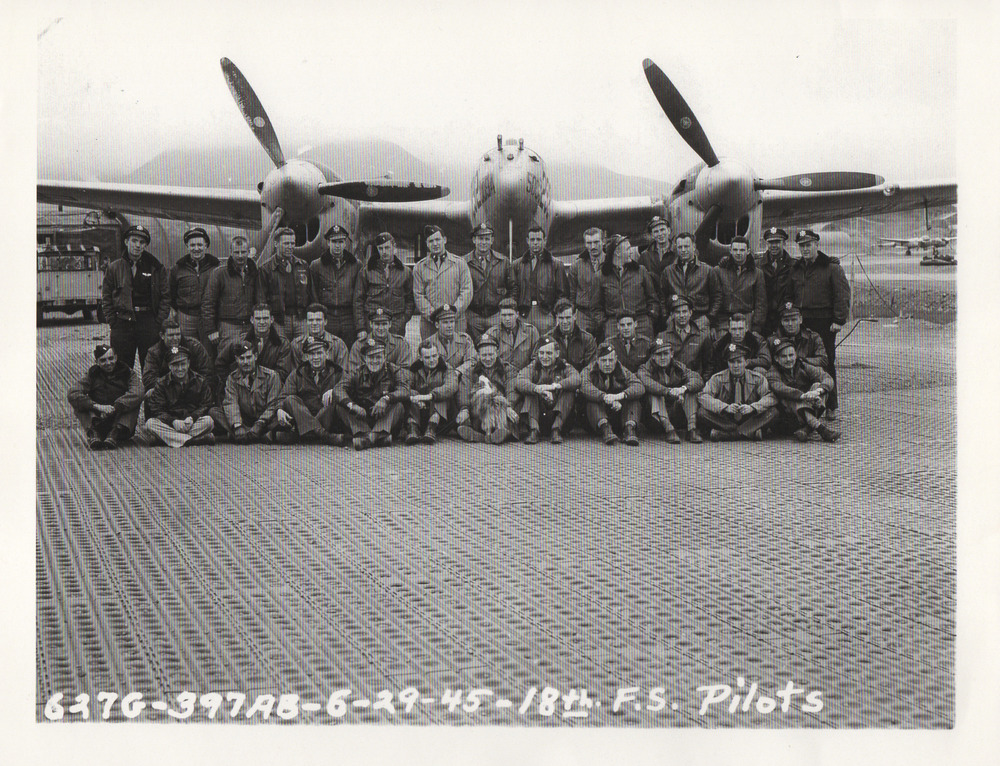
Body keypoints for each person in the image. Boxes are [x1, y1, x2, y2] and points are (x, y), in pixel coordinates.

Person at [790, 228, 850, 418]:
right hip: (802, 321)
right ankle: (810, 404)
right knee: (802, 361)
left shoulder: (832, 267)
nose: (805, 249)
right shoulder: (796, 268)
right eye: (801, 246)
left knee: (826, 361)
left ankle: (831, 404)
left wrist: (838, 320)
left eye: (808, 245)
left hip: (824, 321)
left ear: (817, 244)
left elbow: (842, 295)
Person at [101, 224, 169, 370]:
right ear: (126, 242)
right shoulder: (114, 267)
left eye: (142, 242)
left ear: (145, 246)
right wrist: (113, 321)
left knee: (151, 364)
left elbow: (165, 296)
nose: (138, 245)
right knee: (122, 366)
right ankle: (125, 386)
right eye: (134, 241)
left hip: (148, 322)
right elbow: (106, 296)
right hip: (123, 323)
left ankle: (150, 386)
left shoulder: (156, 267)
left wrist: (159, 321)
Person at [334, 337, 408, 450]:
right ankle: (378, 437)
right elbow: (338, 389)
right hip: (362, 418)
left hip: (385, 418)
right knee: (340, 406)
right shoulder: (356, 372)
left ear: (385, 357)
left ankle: (369, 439)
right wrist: (352, 405)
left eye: (378, 357)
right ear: (364, 358)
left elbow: (405, 389)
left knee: (398, 406)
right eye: (371, 357)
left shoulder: (394, 370)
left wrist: (386, 399)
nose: (374, 361)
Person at [272, 337, 347, 445]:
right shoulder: (297, 374)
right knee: (291, 399)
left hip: (326, 417)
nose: (315, 357)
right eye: (311, 354)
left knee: (335, 400)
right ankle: (324, 436)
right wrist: (279, 409)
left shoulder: (337, 372)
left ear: (326, 354)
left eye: (319, 353)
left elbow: (349, 387)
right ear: (306, 357)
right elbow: (283, 396)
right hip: (303, 415)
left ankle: (303, 435)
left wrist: (335, 390)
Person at [67, 344, 143, 450]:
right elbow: (73, 393)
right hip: (99, 419)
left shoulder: (127, 372)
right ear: (97, 362)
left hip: (120, 421)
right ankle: (93, 433)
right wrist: (96, 406)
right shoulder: (92, 374)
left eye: (111, 358)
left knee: (134, 402)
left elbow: (138, 392)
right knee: (79, 403)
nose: (108, 363)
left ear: (116, 357)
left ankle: (114, 434)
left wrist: (116, 407)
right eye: (103, 360)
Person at [697, 343, 778, 441]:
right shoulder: (717, 378)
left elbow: (770, 397)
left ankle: (729, 434)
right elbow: (703, 396)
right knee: (702, 412)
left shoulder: (757, 378)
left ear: (746, 362)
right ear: (727, 363)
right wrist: (724, 407)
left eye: (739, 362)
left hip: (750, 418)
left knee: (773, 412)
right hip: (725, 419)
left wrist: (753, 407)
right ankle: (749, 432)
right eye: (732, 362)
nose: (735, 366)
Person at [765, 337, 840, 442]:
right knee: (792, 398)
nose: (788, 359)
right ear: (776, 358)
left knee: (818, 385)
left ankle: (807, 429)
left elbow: (827, 378)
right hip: (787, 420)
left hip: (806, 410)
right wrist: (803, 396)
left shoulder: (802, 366)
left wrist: (817, 392)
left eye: (791, 355)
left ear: (796, 355)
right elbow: (780, 388)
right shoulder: (772, 372)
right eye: (783, 356)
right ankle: (822, 430)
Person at [140, 346, 216, 447]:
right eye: (175, 365)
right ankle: (193, 441)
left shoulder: (200, 381)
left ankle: (167, 439)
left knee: (208, 421)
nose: (180, 369)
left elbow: (206, 404)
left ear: (188, 363)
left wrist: (192, 417)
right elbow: (157, 409)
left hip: (192, 423)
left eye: (183, 364)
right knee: (150, 423)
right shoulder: (161, 384)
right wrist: (173, 421)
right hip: (171, 424)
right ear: (169, 366)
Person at [202, 234, 263, 354]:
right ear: (230, 252)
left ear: (248, 252)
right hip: (228, 326)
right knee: (228, 357)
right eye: (236, 252)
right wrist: (211, 330)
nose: (240, 256)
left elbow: (260, 298)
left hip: (249, 325)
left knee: (249, 357)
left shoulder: (254, 272)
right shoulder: (219, 273)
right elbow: (208, 303)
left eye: (243, 252)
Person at [514, 336, 581, 444]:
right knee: (530, 391)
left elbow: (576, 379)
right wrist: (537, 389)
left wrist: (556, 386)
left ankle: (556, 430)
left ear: (557, 353)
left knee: (569, 391)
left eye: (549, 353)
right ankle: (534, 431)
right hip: (539, 416)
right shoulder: (533, 367)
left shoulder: (564, 366)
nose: (545, 357)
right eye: (541, 353)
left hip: (561, 421)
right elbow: (520, 381)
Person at [412, 225, 474, 339]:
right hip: (430, 323)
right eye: (431, 241)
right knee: (430, 349)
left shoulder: (460, 263)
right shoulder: (420, 267)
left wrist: (452, 313)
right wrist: (433, 315)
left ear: (444, 240)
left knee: (457, 348)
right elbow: (418, 295)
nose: (435, 244)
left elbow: (467, 291)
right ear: (426, 244)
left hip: (455, 321)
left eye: (438, 239)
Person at [214, 341, 282, 443]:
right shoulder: (232, 378)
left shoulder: (271, 376)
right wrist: (237, 425)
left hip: (265, 420)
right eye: (242, 358)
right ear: (236, 359)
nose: (246, 362)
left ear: (255, 356)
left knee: (280, 416)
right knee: (215, 412)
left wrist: (260, 423)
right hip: (243, 420)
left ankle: (240, 436)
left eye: (249, 357)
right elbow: (231, 403)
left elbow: (273, 404)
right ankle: (251, 435)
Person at [638, 337, 704, 443]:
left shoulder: (679, 367)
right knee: (655, 393)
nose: (663, 357)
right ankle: (669, 430)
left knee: (690, 391)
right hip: (655, 419)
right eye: (658, 354)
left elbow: (697, 379)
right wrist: (668, 392)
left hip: (675, 412)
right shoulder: (644, 368)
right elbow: (647, 383)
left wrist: (683, 389)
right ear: (653, 356)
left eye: (666, 353)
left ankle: (692, 429)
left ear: (671, 354)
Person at [456, 334, 518, 444]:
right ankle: (477, 432)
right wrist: (464, 408)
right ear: (478, 355)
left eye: (491, 354)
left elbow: (511, 389)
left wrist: (509, 406)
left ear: (497, 353)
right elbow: (464, 390)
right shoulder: (471, 371)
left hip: (502, 410)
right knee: (479, 400)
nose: (488, 358)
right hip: (480, 412)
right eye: (484, 355)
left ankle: (501, 431)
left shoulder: (508, 369)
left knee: (505, 408)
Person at [579, 342, 645, 446]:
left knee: (633, 399)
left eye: (610, 360)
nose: (607, 364)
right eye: (603, 360)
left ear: (616, 359)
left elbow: (639, 386)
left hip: (618, 413)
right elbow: (585, 387)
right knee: (591, 401)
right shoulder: (588, 371)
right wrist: (605, 397)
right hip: (596, 417)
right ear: (597, 360)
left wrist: (620, 396)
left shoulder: (622, 370)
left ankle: (629, 429)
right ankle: (606, 430)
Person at [168, 227, 220, 356]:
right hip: (186, 318)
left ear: (206, 245)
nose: (196, 248)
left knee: (208, 353)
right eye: (192, 245)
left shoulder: (216, 267)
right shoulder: (178, 269)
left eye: (200, 245)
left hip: (209, 318)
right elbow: (170, 294)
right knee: (186, 350)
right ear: (187, 246)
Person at [353, 232, 414, 338]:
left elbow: (410, 300)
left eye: (387, 248)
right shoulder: (366, 271)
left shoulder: (405, 272)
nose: (384, 252)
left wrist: (403, 319)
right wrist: (361, 328)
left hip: (396, 325)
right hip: (373, 325)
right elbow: (358, 301)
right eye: (381, 248)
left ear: (394, 248)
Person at [463, 223, 517, 342]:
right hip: (473, 316)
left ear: (492, 240)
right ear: (474, 240)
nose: (484, 242)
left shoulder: (503, 262)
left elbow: (513, 288)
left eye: (487, 239)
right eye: (480, 238)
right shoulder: (463, 263)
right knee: (473, 345)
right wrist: (467, 313)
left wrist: (506, 309)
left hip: (496, 316)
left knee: (497, 346)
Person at [600, 234, 660, 340]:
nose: (631, 252)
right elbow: (596, 307)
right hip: (614, 327)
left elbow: (653, 299)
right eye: (628, 249)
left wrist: (649, 319)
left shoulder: (641, 271)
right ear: (617, 253)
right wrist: (606, 324)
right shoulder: (601, 276)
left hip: (641, 324)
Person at [311, 224, 361, 347]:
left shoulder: (356, 265)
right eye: (334, 242)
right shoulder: (316, 265)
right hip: (328, 317)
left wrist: (360, 326)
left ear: (345, 243)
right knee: (327, 348)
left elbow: (359, 296)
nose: (337, 245)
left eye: (341, 241)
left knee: (348, 349)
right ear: (328, 242)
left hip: (348, 317)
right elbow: (313, 294)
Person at [217, 303, 293, 383]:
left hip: (270, 387)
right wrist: (233, 382)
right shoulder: (240, 341)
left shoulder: (282, 344)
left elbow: (283, 373)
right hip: (243, 386)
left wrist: (261, 384)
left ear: (272, 319)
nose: (262, 322)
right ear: (252, 320)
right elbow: (220, 363)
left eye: (265, 318)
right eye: (258, 318)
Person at [512, 226, 567, 335]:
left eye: (538, 239)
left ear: (544, 240)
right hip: (524, 314)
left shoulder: (556, 265)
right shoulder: (517, 265)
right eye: (532, 240)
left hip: (546, 314)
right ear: (527, 241)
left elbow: (562, 293)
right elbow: (513, 290)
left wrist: (554, 314)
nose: (535, 243)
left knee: (546, 343)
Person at [259, 227, 312, 341]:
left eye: (292, 243)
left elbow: (311, 293)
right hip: (279, 321)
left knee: (302, 347)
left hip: (301, 318)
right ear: (276, 244)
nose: (290, 246)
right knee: (281, 348)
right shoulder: (266, 269)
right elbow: (261, 298)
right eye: (286, 243)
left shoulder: (303, 265)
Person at [403, 340, 459, 444]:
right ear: (420, 358)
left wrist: (430, 396)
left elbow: (451, 386)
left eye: (434, 356)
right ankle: (412, 428)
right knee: (412, 394)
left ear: (438, 355)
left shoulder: (446, 368)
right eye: (427, 357)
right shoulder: (413, 369)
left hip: (442, 418)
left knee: (441, 395)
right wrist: (417, 399)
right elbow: (404, 386)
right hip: (419, 412)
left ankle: (431, 428)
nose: (432, 360)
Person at [660, 232, 720, 328]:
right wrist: (666, 318)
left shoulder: (708, 270)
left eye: (686, 246)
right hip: (676, 320)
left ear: (694, 247)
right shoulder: (668, 271)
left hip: (700, 319)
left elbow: (717, 296)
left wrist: (709, 318)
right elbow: (662, 297)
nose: (683, 250)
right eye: (680, 247)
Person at [141, 318, 214, 394]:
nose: (175, 338)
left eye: (178, 334)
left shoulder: (195, 346)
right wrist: (173, 388)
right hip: (167, 392)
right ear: (162, 335)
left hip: (193, 390)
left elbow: (206, 372)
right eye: (171, 335)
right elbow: (148, 378)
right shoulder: (154, 352)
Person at [712, 235, 767, 335]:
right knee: (722, 341)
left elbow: (760, 303)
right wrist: (713, 323)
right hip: (724, 318)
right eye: (735, 249)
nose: (738, 253)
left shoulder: (757, 273)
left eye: (742, 250)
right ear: (730, 250)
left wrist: (756, 327)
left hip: (746, 318)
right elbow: (714, 298)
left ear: (748, 251)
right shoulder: (719, 270)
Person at [656, 295, 713, 379]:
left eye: (684, 311)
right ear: (672, 314)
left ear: (690, 313)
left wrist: (702, 381)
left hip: (694, 382)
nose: (681, 315)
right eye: (677, 312)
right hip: (670, 383)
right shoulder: (663, 337)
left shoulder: (702, 337)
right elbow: (656, 363)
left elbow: (709, 365)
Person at [481, 297, 539, 376]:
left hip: (525, 374)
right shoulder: (492, 333)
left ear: (517, 314)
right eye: (504, 315)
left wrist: (527, 371)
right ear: (499, 316)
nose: (507, 319)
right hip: (501, 375)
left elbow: (537, 357)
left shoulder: (531, 331)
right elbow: (487, 358)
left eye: (510, 315)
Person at [347, 306, 415, 372]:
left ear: (390, 324)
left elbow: (406, 371)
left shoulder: (400, 344)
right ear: (371, 324)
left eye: (384, 324)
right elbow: (353, 371)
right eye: (377, 324)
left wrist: (390, 371)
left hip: (393, 379)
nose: (381, 328)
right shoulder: (360, 345)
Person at [567, 227, 606, 340]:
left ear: (603, 241)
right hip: (584, 315)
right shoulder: (577, 266)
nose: (593, 246)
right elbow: (571, 293)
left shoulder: (611, 262)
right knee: (581, 343)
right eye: (589, 243)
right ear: (585, 244)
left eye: (596, 242)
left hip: (605, 314)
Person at [767, 301, 828, 370]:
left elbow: (823, 360)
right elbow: (768, 361)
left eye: (794, 320)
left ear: (800, 320)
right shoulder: (772, 340)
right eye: (786, 320)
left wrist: (800, 360)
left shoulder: (813, 337)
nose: (790, 324)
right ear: (781, 322)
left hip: (806, 371)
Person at [290, 303, 350, 371]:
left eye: (318, 320)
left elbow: (343, 373)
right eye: (311, 320)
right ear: (306, 322)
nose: (314, 323)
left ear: (325, 322)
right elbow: (295, 373)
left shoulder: (338, 344)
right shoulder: (297, 344)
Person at [759, 227, 795, 334]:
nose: (773, 245)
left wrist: (829, 260)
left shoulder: (794, 265)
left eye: (777, 242)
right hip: (765, 316)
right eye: (771, 242)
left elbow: (811, 264)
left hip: (785, 315)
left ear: (784, 243)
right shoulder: (758, 264)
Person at [426, 304, 477, 377]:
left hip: (460, 377)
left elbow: (472, 360)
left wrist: (458, 371)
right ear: (437, 325)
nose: (449, 326)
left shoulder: (464, 339)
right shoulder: (428, 342)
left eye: (452, 321)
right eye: (445, 322)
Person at [551, 298, 598, 371]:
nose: (565, 322)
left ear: (575, 316)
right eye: (561, 318)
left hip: (581, 377)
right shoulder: (549, 338)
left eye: (568, 317)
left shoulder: (587, 339)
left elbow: (591, 365)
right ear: (556, 318)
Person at [638, 215, 675, 285]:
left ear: (669, 231)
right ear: (652, 235)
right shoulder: (645, 256)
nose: (660, 234)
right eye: (656, 231)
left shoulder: (678, 252)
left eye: (662, 230)